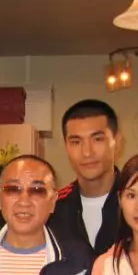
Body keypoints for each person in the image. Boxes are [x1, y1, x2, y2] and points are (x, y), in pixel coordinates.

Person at [49, 99, 122, 257]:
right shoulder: (53, 208)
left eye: (97, 139)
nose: (87, 152)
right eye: (76, 142)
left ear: (117, 142)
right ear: (66, 146)